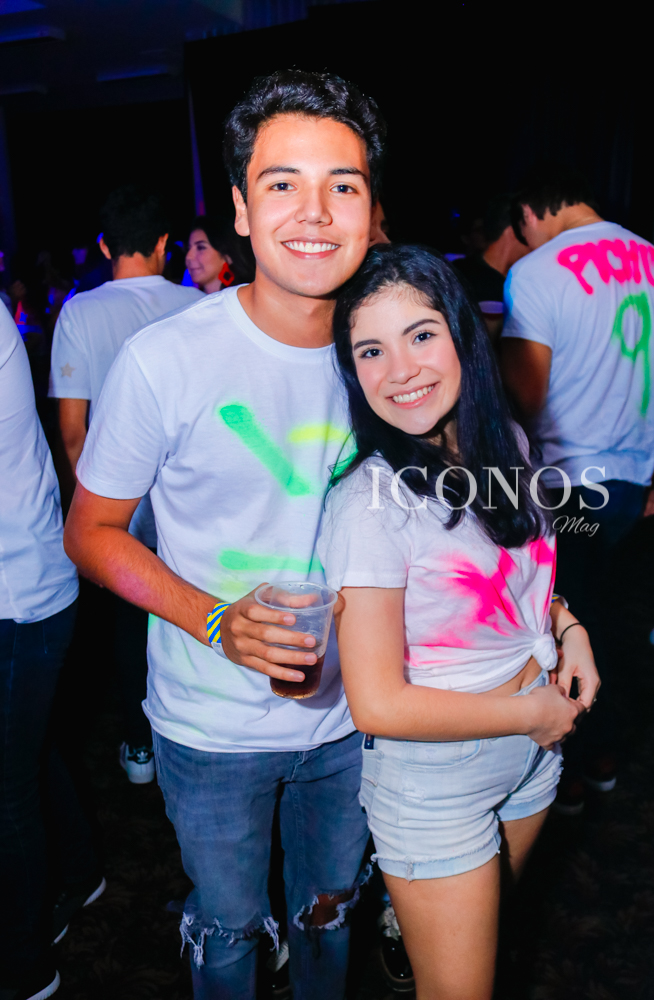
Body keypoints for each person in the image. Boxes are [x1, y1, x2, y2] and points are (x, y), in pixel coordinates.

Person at [63, 69, 386, 999]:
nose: (313, 212)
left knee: (329, 914)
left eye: (342, 185)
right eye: (282, 183)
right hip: (211, 727)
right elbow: (91, 531)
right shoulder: (165, 359)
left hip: (358, 715)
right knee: (229, 929)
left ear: (370, 210)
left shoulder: (394, 355)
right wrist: (215, 620)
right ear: (241, 210)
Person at [317, 243, 599, 1000]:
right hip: (438, 778)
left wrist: (568, 629)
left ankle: (401, 918)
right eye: (370, 350)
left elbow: (520, 581)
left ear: (462, 336)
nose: (399, 370)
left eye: (420, 335)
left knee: (490, 937)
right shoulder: (369, 505)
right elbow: (378, 704)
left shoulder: (506, 440)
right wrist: (532, 713)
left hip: (533, 751)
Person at [500, 164, 654, 812]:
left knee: (562, 620)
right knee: (604, 607)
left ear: (529, 210)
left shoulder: (537, 271)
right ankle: (599, 753)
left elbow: (528, 395)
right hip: (629, 476)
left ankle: (572, 759)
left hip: (565, 481)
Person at [49, 185, 203, 784]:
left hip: (119, 506)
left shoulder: (80, 311)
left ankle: (141, 747)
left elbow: (73, 432)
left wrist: (94, 518)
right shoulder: (198, 303)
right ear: (165, 243)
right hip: (192, 498)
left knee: (129, 621)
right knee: (198, 609)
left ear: (104, 245)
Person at [0, 301, 103, 1000]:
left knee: (6, 785)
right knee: (26, 754)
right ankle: (80, 870)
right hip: (28, 585)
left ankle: (23, 967)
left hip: (19, 596)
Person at [454, 194, 529, 343]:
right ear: (512, 232)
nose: (533, 241)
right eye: (528, 229)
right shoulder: (467, 280)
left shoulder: (461, 270)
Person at [185, 214, 255, 292]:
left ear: (227, 256)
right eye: (188, 248)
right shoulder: (189, 298)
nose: (188, 256)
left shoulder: (245, 296)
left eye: (201, 247)